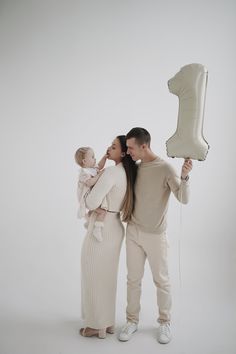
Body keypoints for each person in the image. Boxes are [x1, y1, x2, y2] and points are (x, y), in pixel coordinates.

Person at [118, 127, 193, 344]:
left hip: (155, 236)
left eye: (131, 147)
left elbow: (183, 198)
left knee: (162, 281)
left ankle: (164, 322)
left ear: (144, 146)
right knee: (132, 280)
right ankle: (131, 321)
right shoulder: (136, 168)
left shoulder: (165, 169)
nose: (128, 151)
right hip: (133, 231)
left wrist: (185, 176)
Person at [79, 135, 137, 339]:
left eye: (113, 147)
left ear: (122, 153)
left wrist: (84, 192)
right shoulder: (126, 173)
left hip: (102, 230)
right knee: (107, 278)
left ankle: (96, 325)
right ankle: (107, 322)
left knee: (93, 275)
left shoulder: (111, 172)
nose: (108, 148)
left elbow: (92, 203)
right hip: (115, 226)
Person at [74, 147, 108, 241]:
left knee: (94, 211)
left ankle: (89, 222)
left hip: (91, 197)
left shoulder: (92, 169)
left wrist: (105, 157)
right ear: (84, 161)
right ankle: (97, 229)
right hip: (87, 198)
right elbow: (89, 182)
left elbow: (100, 166)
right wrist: (100, 175)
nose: (95, 159)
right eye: (92, 157)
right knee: (102, 212)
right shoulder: (84, 173)